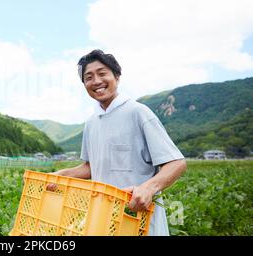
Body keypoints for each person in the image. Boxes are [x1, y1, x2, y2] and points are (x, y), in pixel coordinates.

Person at [48, 49, 187, 236]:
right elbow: (91, 167)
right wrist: (62, 175)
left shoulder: (138, 113)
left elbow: (176, 163)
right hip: (104, 220)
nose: (96, 81)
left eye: (102, 73)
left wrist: (148, 188)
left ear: (117, 76)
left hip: (139, 219)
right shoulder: (91, 123)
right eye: (88, 77)